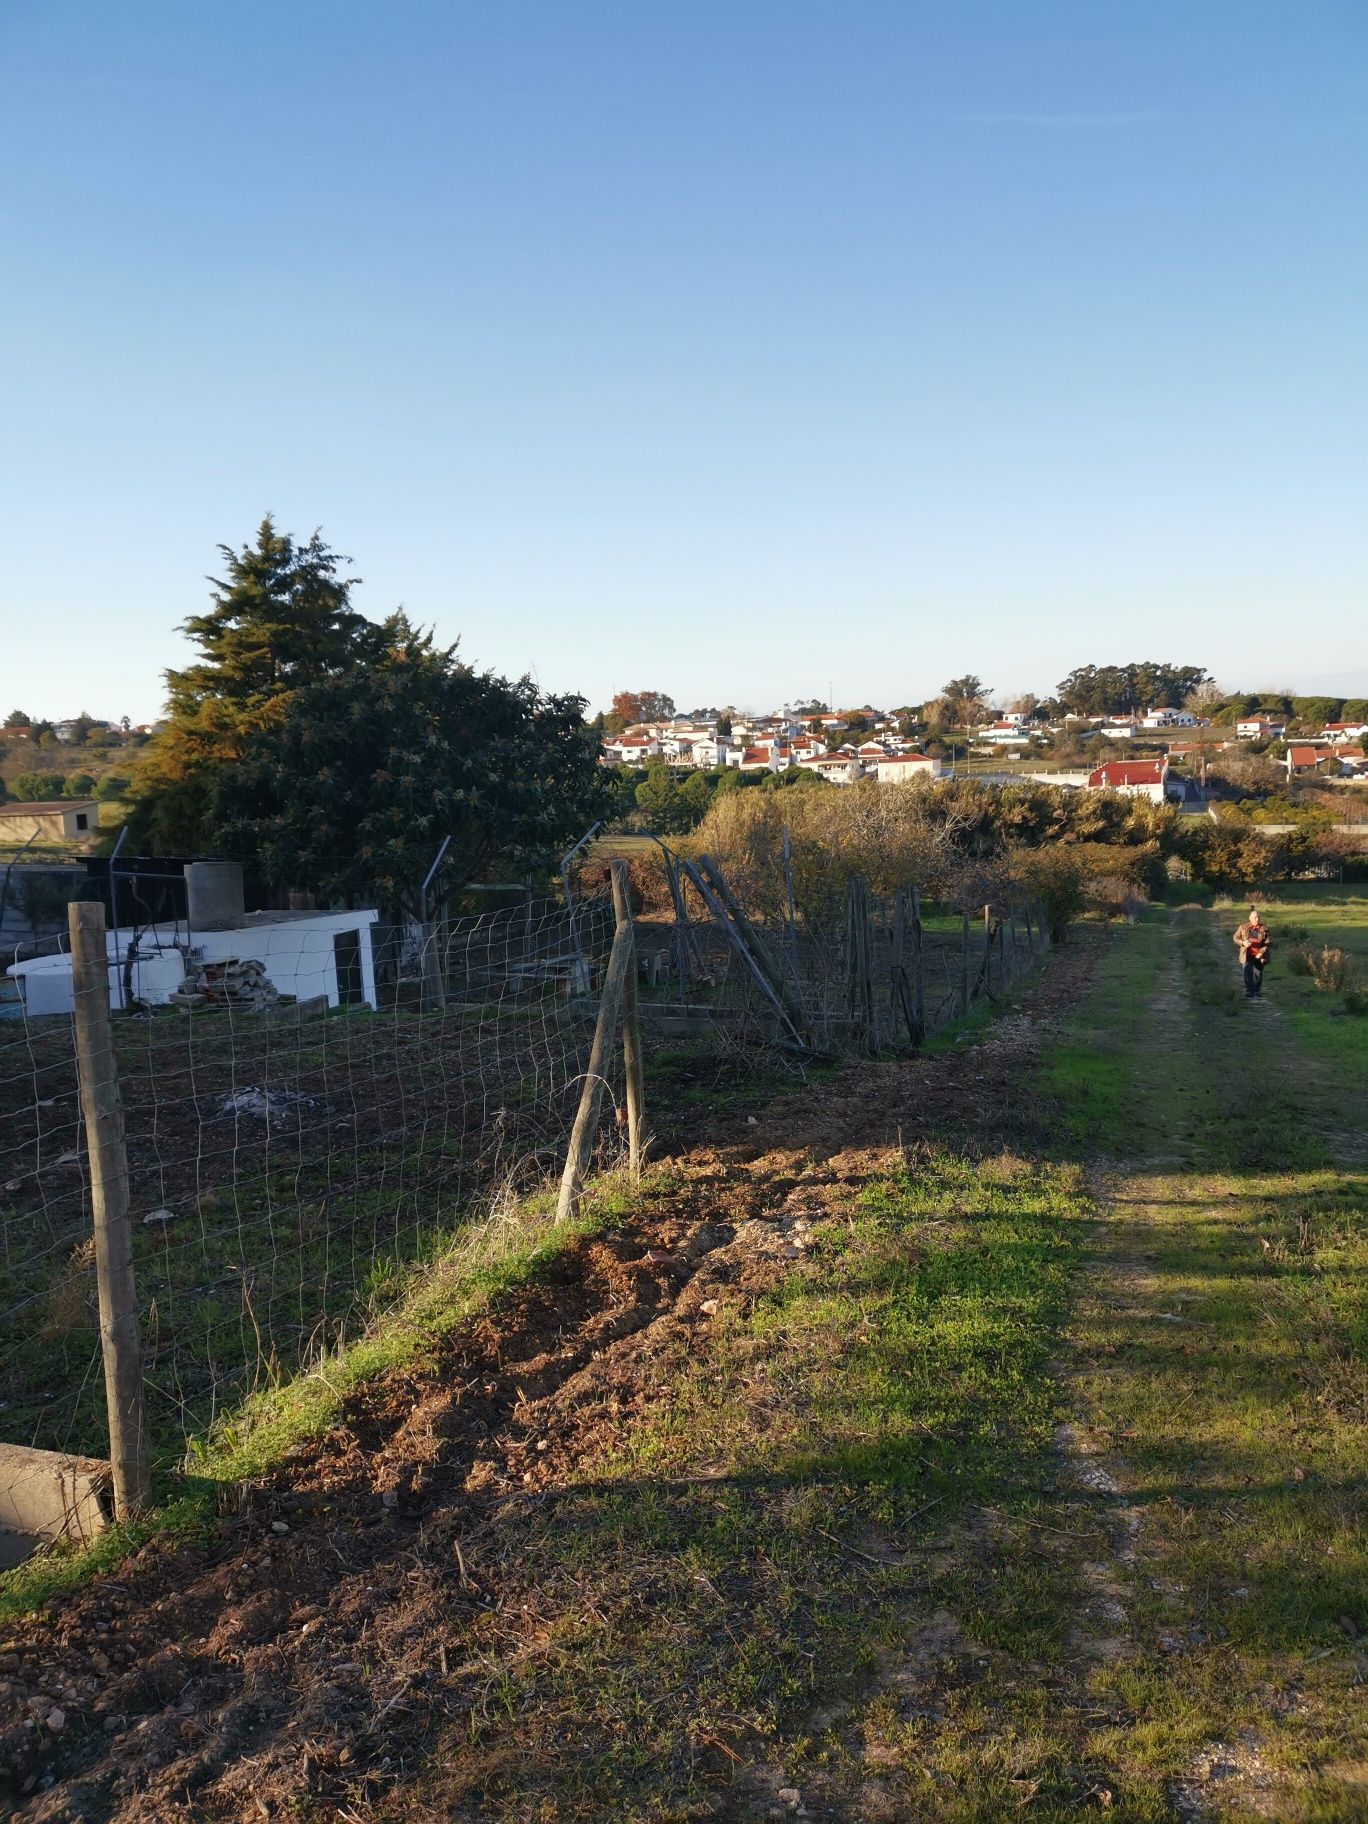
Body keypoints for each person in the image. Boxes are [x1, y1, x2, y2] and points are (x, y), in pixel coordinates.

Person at [1232, 907, 1272, 998]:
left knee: (1258, 973)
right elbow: (1235, 938)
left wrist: (1261, 952)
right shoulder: (1243, 927)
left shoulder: (1264, 929)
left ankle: (1256, 991)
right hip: (1246, 954)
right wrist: (1243, 943)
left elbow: (1269, 943)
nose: (1257, 919)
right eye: (1255, 917)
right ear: (1250, 918)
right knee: (1248, 972)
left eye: (1258, 917)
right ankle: (1249, 991)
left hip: (1259, 956)